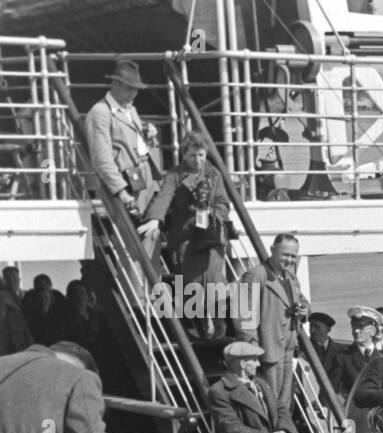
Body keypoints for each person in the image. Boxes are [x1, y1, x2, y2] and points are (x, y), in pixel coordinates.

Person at [139, 132, 231, 338]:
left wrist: (212, 213)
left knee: (214, 277)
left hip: (210, 235)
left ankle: (219, 322)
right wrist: (156, 219)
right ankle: (203, 321)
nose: (196, 160)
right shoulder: (174, 175)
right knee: (191, 282)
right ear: (183, 155)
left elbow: (224, 203)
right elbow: (165, 197)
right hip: (185, 237)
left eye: (200, 155)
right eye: (191, 156)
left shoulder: (214, 173)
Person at [237, 233, 308, 408]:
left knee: (284, 404)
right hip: (267, 352)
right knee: (268, 402)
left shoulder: (290, 277)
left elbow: (303, 300)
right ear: (272, 250)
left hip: (288, 350)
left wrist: (304, 309)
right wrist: (252, 354)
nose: (289, 260)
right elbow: (244, 317)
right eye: (285, 255)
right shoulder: (256, 275)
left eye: (293, 256)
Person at [84, 59, 159, 219]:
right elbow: (102, 159)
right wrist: (121, 191)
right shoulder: (100, 113)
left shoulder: (129, 108)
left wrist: (148, 132)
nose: (134, 93)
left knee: (152, 232)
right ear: (115, 84)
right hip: (128, 183)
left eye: (136, 89)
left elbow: (129, 136)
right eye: (129, 88)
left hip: (145, 177)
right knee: (139, 233)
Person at [51, 281, 103, 352]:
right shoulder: (64, 320)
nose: (80, 297)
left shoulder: (98, 315)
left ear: (87, 295)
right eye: (76, 294)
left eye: (82, 293)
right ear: (70, 297)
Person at [306, 311, 344, 394]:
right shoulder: (303, 350)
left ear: (328, 329)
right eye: (311, 326)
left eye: (317, 327)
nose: (312, 330)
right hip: (309, 396)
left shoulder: (342, 351)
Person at [0, 264, 33, 356]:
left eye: (14, 277)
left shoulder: (29, 296)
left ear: (19, 279)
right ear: (3, 281)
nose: (11, 280)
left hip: (28, 340)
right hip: (11, 343)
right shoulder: (3, 297)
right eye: (7, 278)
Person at [21, 274, 60, 346]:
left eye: (46, 298)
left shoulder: (59, 314)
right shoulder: (29, 317)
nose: (43, 302)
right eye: (40, 299)